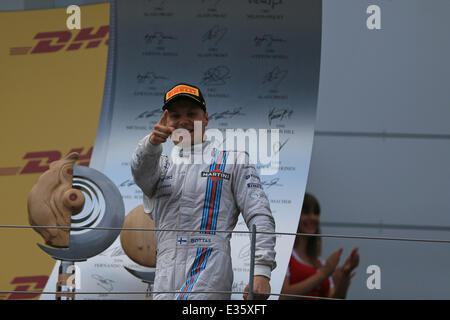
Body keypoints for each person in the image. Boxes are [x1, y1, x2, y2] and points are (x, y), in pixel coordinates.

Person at [131, 83, 276, 300]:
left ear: (206, 118)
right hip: (164, 275)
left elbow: (260, 216)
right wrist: (151, 145)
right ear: (166, 121)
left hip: (210, 272)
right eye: (175, 115)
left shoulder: (234, 161)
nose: (183, 121)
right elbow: (139, 172)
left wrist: (262, 271)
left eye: (192, 113)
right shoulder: (158, 165)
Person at [279, 193, 359, 299]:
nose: (312, 217)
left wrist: (345, 275)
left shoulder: (321, 263)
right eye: (306, 212)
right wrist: (323, 273)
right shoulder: (283, 255)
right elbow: (281, 296)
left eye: (316, 213)